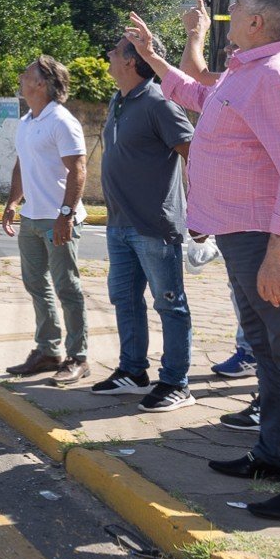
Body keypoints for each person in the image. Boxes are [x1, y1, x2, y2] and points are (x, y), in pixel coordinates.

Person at [125, 0, 280, 523]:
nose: (228, 15)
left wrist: (278, 254)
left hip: (265, 238)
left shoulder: (276, 76)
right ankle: (275, 454)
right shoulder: (249, 73)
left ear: (258, 23)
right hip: (241, 232)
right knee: (269, 352)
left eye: (236, 8)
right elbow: (198, 96)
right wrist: (153, 56)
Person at [92, 35, 197, 411]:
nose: (108, 54)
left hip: (154, 225)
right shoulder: (119, 100)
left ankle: (176, 383)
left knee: (170, 305)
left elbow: (193, 152)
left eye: (115, 50)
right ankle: (133, 371)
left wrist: (198, 210)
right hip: (119, 224)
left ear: (133, 63)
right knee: (124, 299)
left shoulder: (159, 101)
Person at [1, 56, 90, 385]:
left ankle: (78, 356)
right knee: (37, 285)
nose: (21, 79)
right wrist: (13, 201)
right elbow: (21, 164)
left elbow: (78, 170)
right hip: (32, 218)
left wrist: (65, 215)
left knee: (68, 288)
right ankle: (48, 351)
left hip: (58, 219)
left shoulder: (61, 121)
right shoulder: (28, 120)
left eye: (27, 75)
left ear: (42, 84)